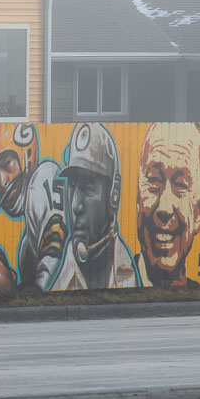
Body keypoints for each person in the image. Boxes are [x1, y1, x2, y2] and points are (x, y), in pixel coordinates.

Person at [43, 122, 141, 291]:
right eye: (72, 186)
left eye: (87, 187)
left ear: (114, 194)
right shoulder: (59, 283)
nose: (75, 205)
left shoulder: (129, 275)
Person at [0, 123, 68, 296]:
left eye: (6, 165)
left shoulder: (41, 180)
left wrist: (10, 289)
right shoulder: (26, 245)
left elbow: (48, 279)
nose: (2, 180)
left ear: (26, 155)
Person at [135, 122, 200, 287]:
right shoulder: (116, 280)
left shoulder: (198, 298)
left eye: (180, 185)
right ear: (138, 197)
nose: (164, 208)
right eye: (154, 181)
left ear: (199, 210)